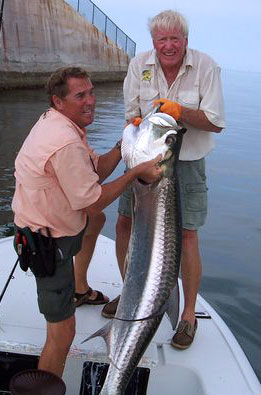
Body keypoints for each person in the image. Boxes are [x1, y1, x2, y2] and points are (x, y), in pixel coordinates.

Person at [11, 66, 163, 377]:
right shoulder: (64, 141)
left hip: (57, 221)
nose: (90, 100)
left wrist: (124, 146)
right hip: (47, 244)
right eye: (81, 95)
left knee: (96, 220)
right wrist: (135, 172)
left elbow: (93, 171)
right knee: (63, 334)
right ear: (58, 101)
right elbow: (93, 197)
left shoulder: (59, 123)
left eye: (91, 92)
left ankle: (80, 288)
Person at [102, 10, 225, 349]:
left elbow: (215, 122)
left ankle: (187, 316)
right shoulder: (138, 64)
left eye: (175, 39)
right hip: (141, 162)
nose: (168, 46)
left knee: (186, 236)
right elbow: (131, 115)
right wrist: (139, 125)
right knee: (124, 224)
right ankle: (130, 295)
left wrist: (179, 111)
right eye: (162, 40)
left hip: (185, 164)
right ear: (153, 42)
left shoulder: (205, 66)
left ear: (185, 40)